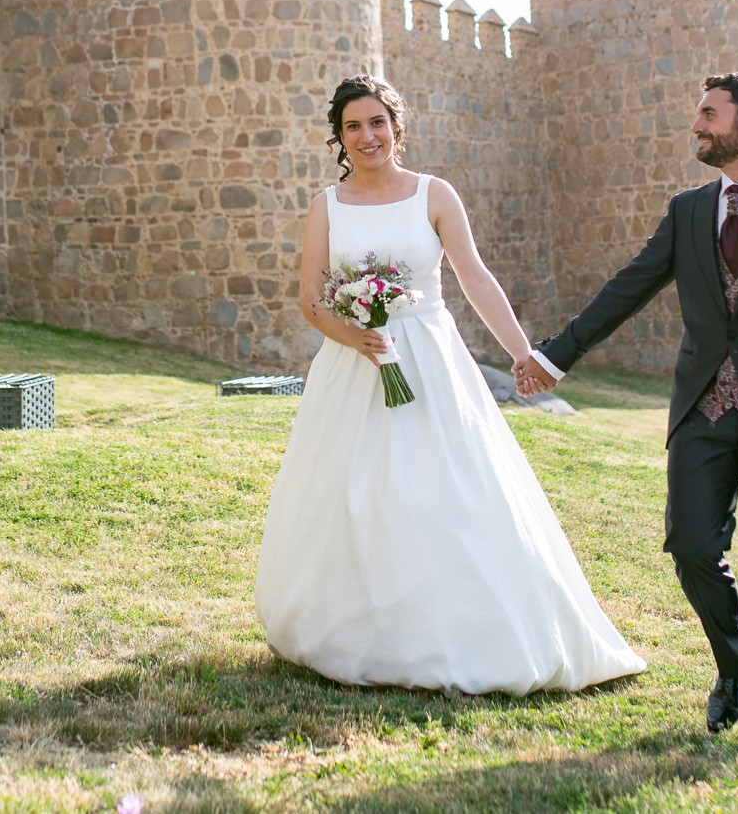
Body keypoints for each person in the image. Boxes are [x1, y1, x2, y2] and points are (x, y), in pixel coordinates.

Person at [255, 73, 645, 694]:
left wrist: (525, 356)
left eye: (376, 123)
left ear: (395, 126)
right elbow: (311, 300)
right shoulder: (325, 207)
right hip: (354, 364)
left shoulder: (434, 195)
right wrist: (356, 337)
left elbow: (474, 276)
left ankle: (465, 630)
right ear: (339, 136)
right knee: (354, 492)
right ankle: (355, 630)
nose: (367, 136)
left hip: (430, 358)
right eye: (353, 126)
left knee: (447, 488)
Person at [514, 72, 738, 747]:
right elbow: (628, 287)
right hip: (702, 410)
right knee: (693, 546)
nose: (697, 125)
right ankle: (734, 660)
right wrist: (556, 356)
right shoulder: (687, 211)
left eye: (709, 114)